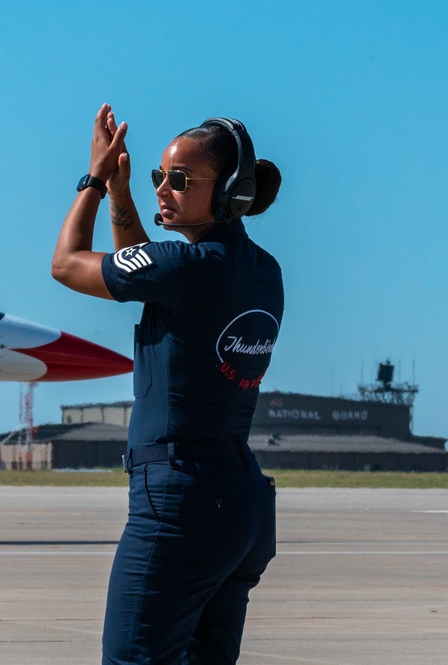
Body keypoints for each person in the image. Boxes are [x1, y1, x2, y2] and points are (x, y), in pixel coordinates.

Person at [51, 104, 284, 665]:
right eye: (160, 177)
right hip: (240, 505)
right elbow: (146, 270)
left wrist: (94, 180)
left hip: (180, 501)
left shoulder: (187, 268)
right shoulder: (261, 269)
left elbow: (66, 263)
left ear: (229, 191)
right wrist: (122, 197)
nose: (165, 189)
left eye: (180, 181)